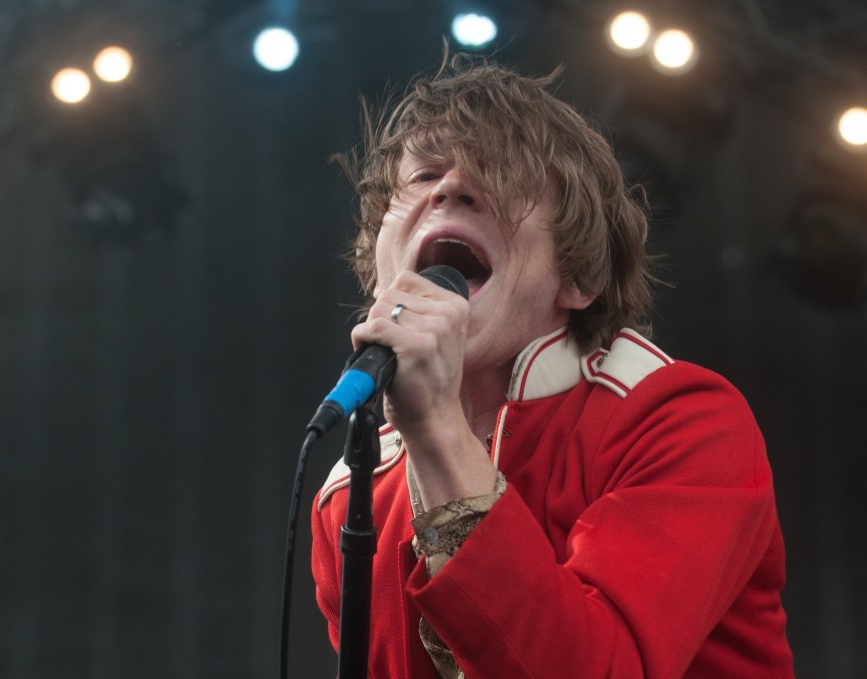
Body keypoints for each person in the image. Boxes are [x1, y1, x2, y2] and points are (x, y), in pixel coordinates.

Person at [310, 52, 794, 678]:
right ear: (380, 257)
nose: (451, 188)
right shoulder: (350, 498)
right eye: (424, 174)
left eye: (503, 179)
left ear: (580, 275)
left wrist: (436, 430)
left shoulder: (682, 422)